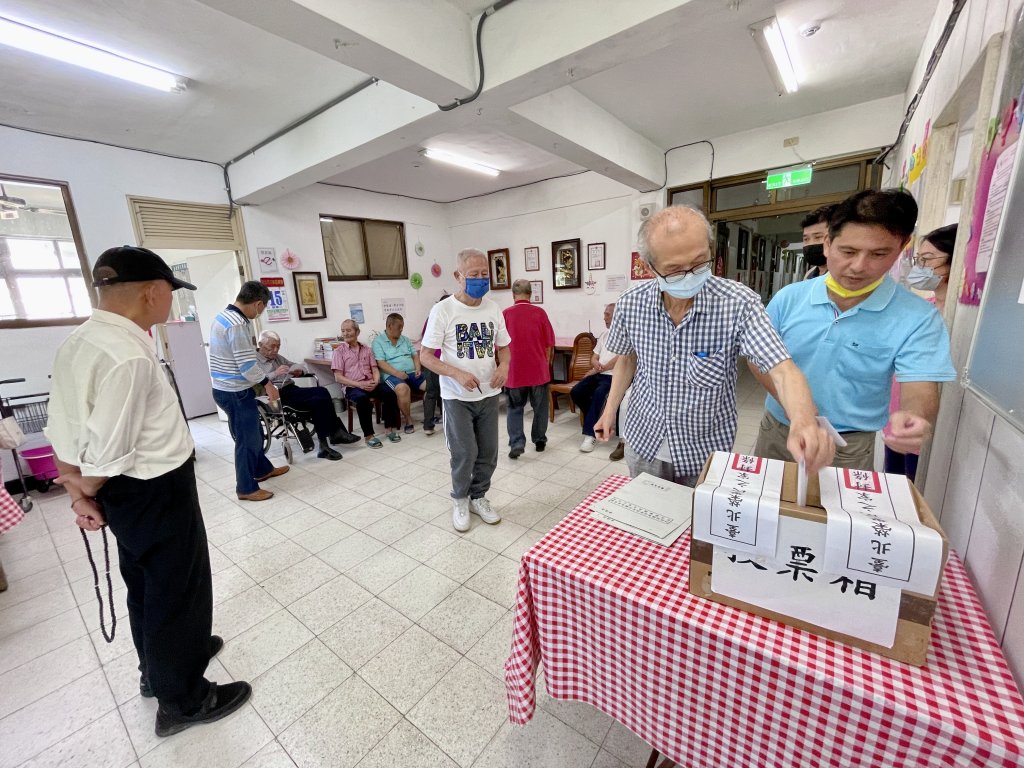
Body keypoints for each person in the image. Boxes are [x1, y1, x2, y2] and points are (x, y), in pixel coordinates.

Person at [45, 246, 250, 738]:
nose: (172, 304)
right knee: (178, 589)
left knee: (145, 582)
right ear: (152, 292)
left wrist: (79, 492)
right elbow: (110, 451)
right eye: (171, 294)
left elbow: (64, 428)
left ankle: (157, 669)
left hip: (126, 495)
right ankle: (183, 698)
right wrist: (82, 489)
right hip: (153, 489)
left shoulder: (81, 340)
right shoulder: (128, 355)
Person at [593, 206, 834, 486]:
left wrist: (802, 419)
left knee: (702, 524)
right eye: (674, 270)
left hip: (704, 448)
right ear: (650, 268)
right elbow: (627, 358)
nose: (689, 275)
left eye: (699, 263)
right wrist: (610, 409)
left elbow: (782, 368)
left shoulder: (738, 302)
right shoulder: (631, 302)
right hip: (644, 437)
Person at [751, 189, 956, 470]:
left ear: (902, 246)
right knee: (763, 504)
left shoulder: (918, 318)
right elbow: (757, 359)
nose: (859, 266)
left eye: (878, 254)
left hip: (848, 445)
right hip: (778, 429)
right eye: (848, 251)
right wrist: (800, 414)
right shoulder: (790, 297)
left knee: (835, 512)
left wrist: (913, 417)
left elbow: (920, 386)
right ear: (827, 244)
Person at [420, 248, 511, 531]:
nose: (481, 280)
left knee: (489, 452)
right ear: (459, 276)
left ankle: (478, 496)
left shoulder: (493, 308)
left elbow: (504, 347)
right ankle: (459, 499)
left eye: (485, 274)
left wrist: (503, 366)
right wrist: (457, 373)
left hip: (488, 394)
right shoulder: (443, 310)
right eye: (474, 275)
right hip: (457, 397)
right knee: (464, 452)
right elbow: (425, 356)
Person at [885, 223, 957, 479]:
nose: (920, 267)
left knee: (916, 487)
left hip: (927, 423)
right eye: (919, 259)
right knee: (893, 483)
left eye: (928, 259)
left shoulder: (961, 316)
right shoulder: (921, 310)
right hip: (896, 415)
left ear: (954, 260)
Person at [211, 281, 288, 502]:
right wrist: (268, 384)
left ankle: (262, 469)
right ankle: (246, 488)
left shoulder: (223, 316)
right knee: (247, 440)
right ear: (257, 304)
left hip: (226, 388)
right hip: (235, 391)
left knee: (253, 433)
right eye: (263, 308)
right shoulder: (236, 324)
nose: (261, 312)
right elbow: (247, 365)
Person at [255, 330, 360, 460]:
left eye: (278, 346)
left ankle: (335, 433)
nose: (276, 350)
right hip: (275, 395)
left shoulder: (276, 357)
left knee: (322, 391)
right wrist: (275, 374)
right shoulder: (253, 361)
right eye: (272, 347)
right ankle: (325, 444)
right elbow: (255, 382)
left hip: (291, 388)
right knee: (317, 401)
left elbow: (295, 364)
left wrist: (298, 370)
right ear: (260, 344)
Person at [502, 279, 555, 458]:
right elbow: (549, 344)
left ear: (513, 295)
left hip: (514, 371)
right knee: (540, 407)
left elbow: (499, 346)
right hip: (538, 370)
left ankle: (516, 442)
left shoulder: (506, 314)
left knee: (515, 407)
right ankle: (539, 440)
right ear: (531, 294)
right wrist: (544, 363)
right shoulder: (540, 313)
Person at [331, 318, 401, 449]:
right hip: (353, 386)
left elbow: (374, 369)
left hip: (370, 383)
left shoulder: (367, 349)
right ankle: (369, 436)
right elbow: (338, 377)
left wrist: (375, 381)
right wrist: (359, 385)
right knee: (362, 399)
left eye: (349, 330)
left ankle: (389, 429)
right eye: (343, 331)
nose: (345, 333)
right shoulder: (338, 352)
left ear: (357, 332)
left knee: (390, 393)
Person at [571, 303, 623, 455]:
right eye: (604, 314)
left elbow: (622, 358)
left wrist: (602, 367)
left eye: (607, 314)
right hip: (598, 373)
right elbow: (594, 356)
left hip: (614, 376)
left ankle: (590, 435)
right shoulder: (604, 335)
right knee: (577, 391)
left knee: (600, 394)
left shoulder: (625, 335)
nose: (604, 318)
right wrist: (595, 365)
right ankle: (595, 419)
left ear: (617, 316)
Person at [372, 313, 426, 434]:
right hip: (391, 375)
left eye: (402, 326)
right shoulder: (378, 341)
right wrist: (398, 373)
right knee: (403, 389)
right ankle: (408, 420)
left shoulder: (405, 339)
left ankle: (429, 417)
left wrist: (418, 368)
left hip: (412, 373)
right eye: (399, 326)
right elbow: (380, 363)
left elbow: (415, 356)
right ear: (390, 326)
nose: (402, 329)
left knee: (431, 385)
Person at [801, 204, 836, 280]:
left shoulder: (844, 277)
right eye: (806, 239)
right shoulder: (809, 275)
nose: (810, 243)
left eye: (818, 237)